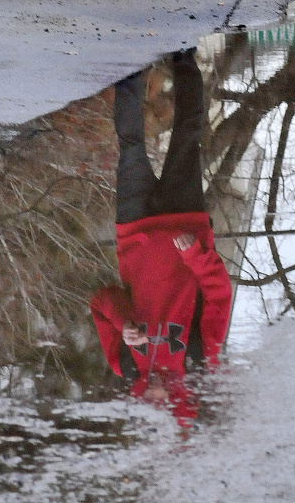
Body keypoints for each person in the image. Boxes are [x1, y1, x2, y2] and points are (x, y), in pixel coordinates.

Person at [90, 50, 231, 423]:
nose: (156, 396)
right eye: (167, 405)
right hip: (184, 222)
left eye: (151, 406)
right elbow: (219, 293)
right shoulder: (200, 357)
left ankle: (133, 64)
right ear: (180, 402)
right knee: (187, 135)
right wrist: (196, 255)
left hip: (134, 230)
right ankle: (184, 55)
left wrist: (123, 323)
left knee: (130, 145)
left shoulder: (125, 365)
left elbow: (101, 302)